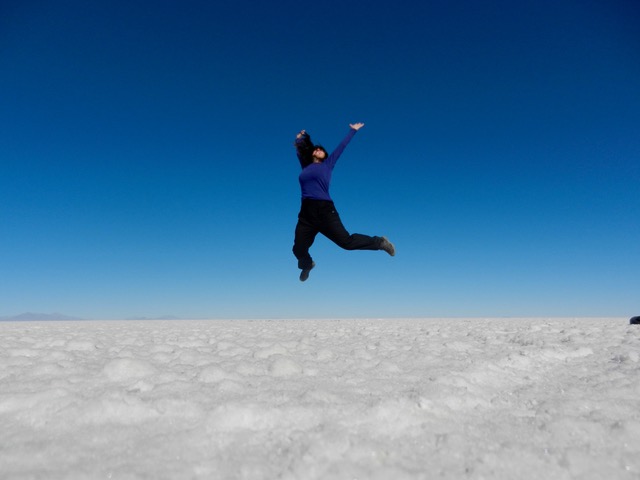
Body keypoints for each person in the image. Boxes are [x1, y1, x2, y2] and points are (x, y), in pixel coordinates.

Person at [292, 122, 395, 282]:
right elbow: (299, 152)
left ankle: (380, 242)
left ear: (325, 156)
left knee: (346, 242)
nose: (318, 150)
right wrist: (299, 139)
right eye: (316, 149)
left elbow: (341, 147)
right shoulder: (306, 167)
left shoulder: (328, 165)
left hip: (325, 211)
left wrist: (352, 131)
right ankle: (307, 264)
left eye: (321, 150)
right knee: (298, 249)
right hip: (306, 214)